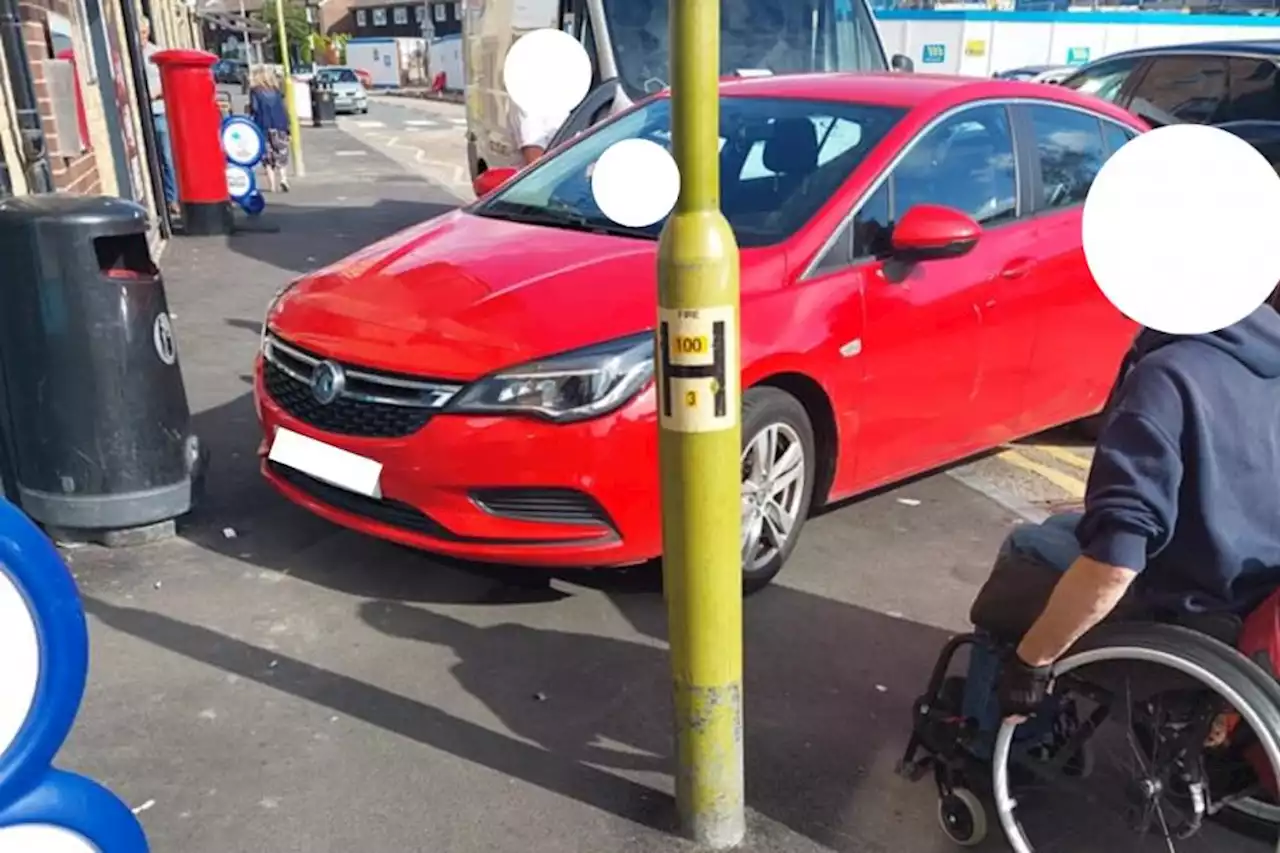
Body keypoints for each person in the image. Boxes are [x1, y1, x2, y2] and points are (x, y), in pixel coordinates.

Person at [962, 284, 1280, 727]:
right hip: (1247, 595)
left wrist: (1032, 661)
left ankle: (993, 733)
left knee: (1026, 547)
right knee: (1061, 529)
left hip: (1180, 606)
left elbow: (1115, 565)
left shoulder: (1167, 377)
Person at [139, 17, 178, 217]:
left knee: (166, 157)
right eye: (139, 33)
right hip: (140, 114)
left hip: (158, 111)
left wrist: (154, 93)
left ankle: (172, 199)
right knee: (149, 156)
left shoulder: (156, 54)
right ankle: (158, 197)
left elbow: (168, 82)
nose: (141, 37)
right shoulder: (131, 54)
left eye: (144, 32)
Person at [248, 69, 291, 192]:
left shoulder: (255, 91)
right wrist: (288, 127)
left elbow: (255, 108)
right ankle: (284, 179)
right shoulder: (277, 91)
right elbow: (283, 108)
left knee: (267, 157)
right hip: (280, 124)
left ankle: (272, 186)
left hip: (263, 126)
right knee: (281, 152)